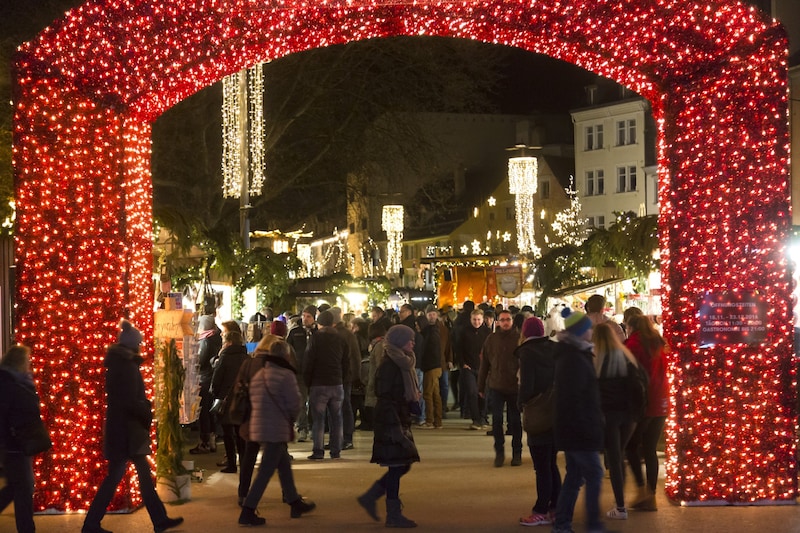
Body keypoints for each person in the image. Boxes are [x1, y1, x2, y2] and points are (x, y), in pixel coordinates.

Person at [82, 320, 183, 533]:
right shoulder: (126, 366)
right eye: (140, 343)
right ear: (133, 345)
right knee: (119, 478)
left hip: (125, 430)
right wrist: (147, 411)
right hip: (128, 431)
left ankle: (159, 519)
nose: (142, 346)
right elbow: (129, 401)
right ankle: (91, 523)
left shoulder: (120, 363)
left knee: (139, 477)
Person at [238, 341, 316, 526]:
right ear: (285, 355)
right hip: (277, 428)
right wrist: (292, 418)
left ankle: (294, 501)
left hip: (260, 427)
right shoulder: (286, 375)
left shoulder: (260, 375)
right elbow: (295, 403)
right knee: (265, 471)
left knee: (283, 466)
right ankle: (248, 510)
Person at [357, 325, 421, 528]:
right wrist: (394, 423)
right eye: (409, 339)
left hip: (398, 416)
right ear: (400, 341)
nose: (413, 343)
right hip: (390, 419)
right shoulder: (390, 364)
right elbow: (384, 395)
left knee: (403, 462)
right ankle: (392, 513)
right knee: (398, 464)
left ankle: (372, 497)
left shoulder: (403, 361)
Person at [551, 308, 605, 533]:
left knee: (575, 477)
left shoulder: (574, 354)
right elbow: (574, 399)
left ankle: (562, 524)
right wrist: (589, 429)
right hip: (578, 430)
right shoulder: (574, 358)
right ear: (581, 332)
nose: (591, 331)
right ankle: (593, 526)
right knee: (594, 474)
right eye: (588, 328)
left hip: (573, 429)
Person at [593, 321, 640, 520]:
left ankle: (620, 506)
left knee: (614, 458)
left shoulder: (596, 360)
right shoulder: (625, 356)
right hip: (628, 416)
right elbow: (637, 385)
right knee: (619, 455)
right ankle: (620, 503)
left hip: (608, 416)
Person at [515, 317, 560, 527]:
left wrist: (520, 403)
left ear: (524, 332)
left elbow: (527, 385)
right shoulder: (554, 348)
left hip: (537, 411)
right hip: (555, 410)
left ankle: (541, 510)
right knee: (551, 463)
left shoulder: (527, 353)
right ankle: (555, 508)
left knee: (541, 466)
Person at [624, 314, 668, 512]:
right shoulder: (659, 344)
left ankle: (643, 491)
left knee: (631, 446)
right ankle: (651, 494)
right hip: (661, 401)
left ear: (631, 326)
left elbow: (629, 374)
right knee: (649, 449)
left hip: (644, 402)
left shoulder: (632, 344)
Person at [0, 345, 45, 533]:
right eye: (27, 360)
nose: (29, 364)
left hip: (17, 444)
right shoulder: (9, 383)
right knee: (24, 490)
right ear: (19, 362)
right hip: (15, 445)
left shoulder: (15, 381)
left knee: (16, 488)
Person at [235, 333, 282, 507]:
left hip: (251, 415)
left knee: (249, 456)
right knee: (279, 457)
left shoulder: (248, 363)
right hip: (271, 416)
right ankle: (289, 496)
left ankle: (243, 493)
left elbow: (238, 386)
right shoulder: (275, 365)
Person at [478, 309, 522, 466]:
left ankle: (517, 452)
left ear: (512, 321)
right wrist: (481, 386)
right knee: (496, 420)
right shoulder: (491, 339)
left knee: (515, 421)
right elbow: (485, 364)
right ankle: (499, 452)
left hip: (514, 387)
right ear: (497, 322)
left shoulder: (519, 339)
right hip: (496, 385)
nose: (505, 322)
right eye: (502, 319)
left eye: (508, 319)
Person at [303, 310, 349, 460]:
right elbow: (346, 362)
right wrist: (342, 378)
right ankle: (336, 451)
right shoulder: (341, 338)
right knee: (337, 418)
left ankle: (318, 451)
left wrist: (307, 382)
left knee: (318, 419)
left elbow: (309, 361)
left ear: (320, 323)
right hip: (336, 383)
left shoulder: (315, 338)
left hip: (319, 383)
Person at [211, 323, 249, 473]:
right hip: (242, 399)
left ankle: (232, 463)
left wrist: (216, 394)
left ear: (229, 342)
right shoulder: (247, 358)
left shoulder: (224, 358)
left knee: (228, 433)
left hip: (226, 400)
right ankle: (245, 461)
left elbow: (216, 380)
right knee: (241, 433)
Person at [190, 312, 222, 454]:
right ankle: (212, 440)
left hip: (204, 378)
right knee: (209, 411)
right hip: (211, 378)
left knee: (203, 411)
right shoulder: (216, 338)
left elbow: (200, 360)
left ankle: (205, 441)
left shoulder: (206, 340)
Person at [286, 305, 317, 442]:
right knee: (301, 401)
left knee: (314, 402)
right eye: (304, 316)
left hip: (316, 372)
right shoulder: (295, 332)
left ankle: (312, 427)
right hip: (299, 372)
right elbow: (288, 350)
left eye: (308, 316)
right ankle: (302, 428)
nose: (305, 319)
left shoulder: (318, 332)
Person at [460, 309, 491, 430]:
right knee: (472, 392)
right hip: (469, 367)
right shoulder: (464, 331)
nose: (476, 322)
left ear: (482, 320)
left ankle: (483, 417)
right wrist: (462, 363)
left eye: (479, 319)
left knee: (483, 393)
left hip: (484, 367)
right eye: (474, 319)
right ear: (470, 319)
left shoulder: (487, 332)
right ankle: (476, 419)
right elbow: (459, 348)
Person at [418, 306, 442, 429]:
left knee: (428, 394)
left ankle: (430, 420)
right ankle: (437, 421)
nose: (432, 316)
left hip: (432, 366)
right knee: (435, 393)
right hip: (434, 365)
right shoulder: (433, 330)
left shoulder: (433, 331)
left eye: (433, 314)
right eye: (429, 314)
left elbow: (430, 350)